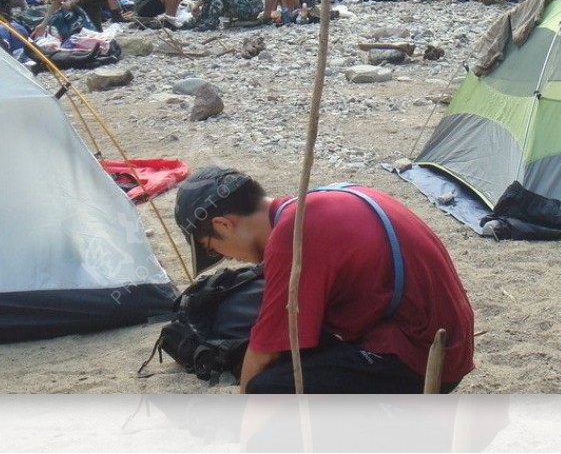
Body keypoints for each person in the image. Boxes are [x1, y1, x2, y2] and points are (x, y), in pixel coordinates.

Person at [173, 167, 476, 394]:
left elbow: (264, 353)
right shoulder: (321, 199)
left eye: (217, 250)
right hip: (445, 338)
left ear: (223, 224)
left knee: (266, 390)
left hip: (425, 359)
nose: (230, 259)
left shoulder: (291, 234)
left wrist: (246, 420)